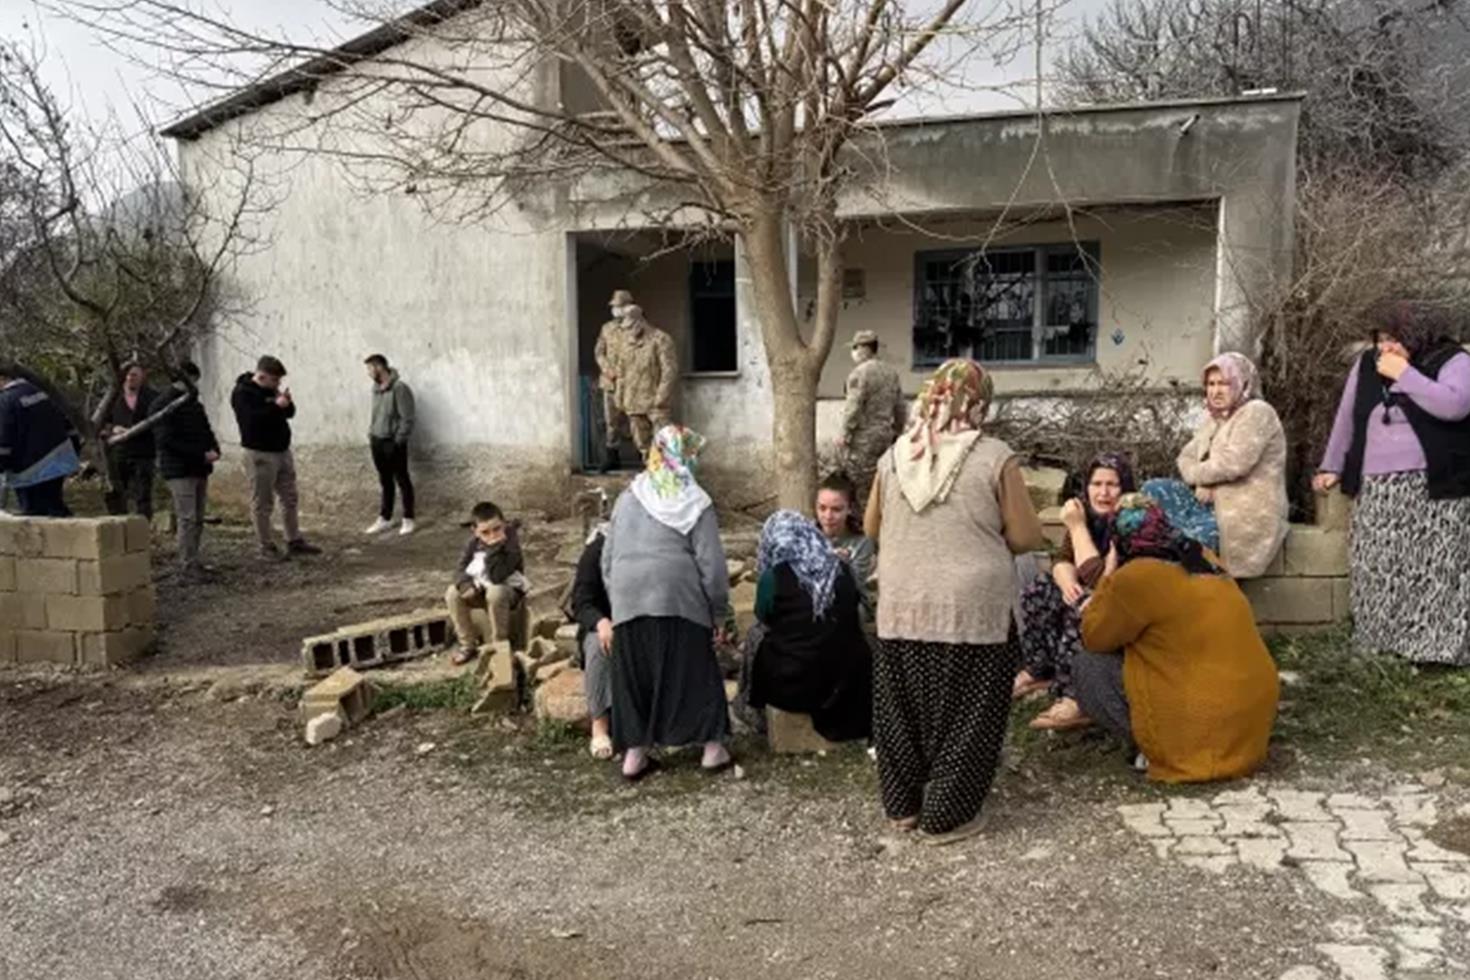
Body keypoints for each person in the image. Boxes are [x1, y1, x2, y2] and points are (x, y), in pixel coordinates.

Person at [864, 359, 1045, 844]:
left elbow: (870, 528)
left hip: (902, 606)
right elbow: (1026, 536)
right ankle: (948, 816)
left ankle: (903, 808)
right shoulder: (993, 456)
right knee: (968, 715)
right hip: (972, 611)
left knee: (902, 712)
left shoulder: (895, 455)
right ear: (977, 401)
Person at [1077, 493, 1279, 782]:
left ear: (1118, 541)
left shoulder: (1136, 577)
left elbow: (1094, 636)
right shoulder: (1203, 556)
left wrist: (1108, 573)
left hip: (1197, 732)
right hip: (1250, 730)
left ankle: (1156, 749)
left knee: (1089, 665)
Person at [1313, 299, 1470, 666]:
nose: (1385, 347)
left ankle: (1434, 649)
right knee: (1379, 567)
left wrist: (1405, 374)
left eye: (1395, 339)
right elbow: (1348, 417)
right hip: (1377, 486)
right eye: (1381, 338)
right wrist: (1331, 464)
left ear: (1418, 337)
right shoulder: (1367, 365)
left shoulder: (1452, 361)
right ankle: (1380, 642)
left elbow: (1456, 405)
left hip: (1435, 485)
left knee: (1432, 569)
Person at [601, 424, 732, 781]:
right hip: (677, 595)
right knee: (696, 672)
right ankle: (712, 749)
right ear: (687, 456)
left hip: (628, 597)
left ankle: (634, 755)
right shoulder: (696, 501)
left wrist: (620, 601)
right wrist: (718, 612)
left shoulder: (629, 496)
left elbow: (607, 556)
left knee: (635, 677)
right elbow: (712, 566)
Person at [1016, 452, 1135, 730]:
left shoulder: (1131, 521)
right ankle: (1040, 670)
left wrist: (1077, 526)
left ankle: (1077, 696)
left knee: (1082, 607)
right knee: (1040, 589)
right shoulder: (1088, 515)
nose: (1103, 493)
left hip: (1123, 608)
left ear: (1125, 487)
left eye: (1112, 484)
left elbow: (1099, 580)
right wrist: (1066, 579)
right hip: (1095, 592)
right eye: (1096, 484)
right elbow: (1062, 558)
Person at [1142, 352, 1287, 578]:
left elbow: (1234, 464)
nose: (1215, 391)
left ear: (1242, 383)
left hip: (1241, 508)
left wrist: (1204, 479)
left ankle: (1177, 567)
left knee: (1194, 541)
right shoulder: (1215, 418)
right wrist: (1202, 479)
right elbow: (1185, 458)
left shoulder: (1257, 412)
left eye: (1224, 383)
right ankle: (1158, 551)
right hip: (1207, 502)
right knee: (1153, 489)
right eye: (1211, 384)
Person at [743, 509, 872, 742]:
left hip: (794, 685)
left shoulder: (773, 577)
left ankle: (750, 708)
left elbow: (763, 616)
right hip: (847, 680)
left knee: (755, 634)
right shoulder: (841, 568)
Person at [231, 355, 321, 559]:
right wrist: (275, 406)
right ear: (261, 376)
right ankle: (266, 546)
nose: (277, 384)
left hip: (281, 450)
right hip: (260, 453)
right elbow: (252, 420)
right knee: (263, 502)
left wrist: (286, 403)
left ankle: (294, 540)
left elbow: (289, 413)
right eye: (274, 380)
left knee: (289, 497)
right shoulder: (243, 393)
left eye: (279, 381)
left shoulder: (271, 390)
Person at [147, 361, 221, 580]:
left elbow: (206, 429)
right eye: (193, 380)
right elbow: (166, 441)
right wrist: (200, 453)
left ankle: (194, 560)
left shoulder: (193, 404)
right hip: (178, 469)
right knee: (187, 517)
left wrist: (215, 449)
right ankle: (187, 564)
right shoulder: (162, 404)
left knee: (197, 518)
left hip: (199, 468)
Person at [447, 501, 528, 665]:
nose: (492, 535)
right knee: (452, 593)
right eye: (485, 532)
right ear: (475, 531)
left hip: (508, 590)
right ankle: (467, 645)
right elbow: (459, 569)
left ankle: (500, 645)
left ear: (504, 524)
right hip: (481, 588)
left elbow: (497, 576)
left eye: (497, 529)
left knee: (496, 592)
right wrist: (465, 585)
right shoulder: (473, 544)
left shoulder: (511, 543)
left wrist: (494, 549)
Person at [838, 330, 907, 518]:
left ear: (863, 349)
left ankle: (865, 529)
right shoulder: (891, 373)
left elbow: (853, 407)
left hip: (863, 440)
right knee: (882, 482)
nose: (853, 352)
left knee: (860, 486)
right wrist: (897, 432)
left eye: (855, 347)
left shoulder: (859, 374)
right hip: (884, 437)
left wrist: (844, 435)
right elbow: (900, 407)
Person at [0, 364, 81, 517]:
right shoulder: (40, 390)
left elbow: (4, 439)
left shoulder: (5, 400)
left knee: (35, 514)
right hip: (60, 458)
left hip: (29, 469)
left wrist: (2, 465)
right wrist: (75, 450)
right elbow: (67, 421)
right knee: (55, 505)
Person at [570, 515, 615, 759]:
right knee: (599, 646)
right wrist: (601, 621)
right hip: (603, 626)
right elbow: (581, 602)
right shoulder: (596, 551)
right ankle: (599, 725)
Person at [607, 305, 678, 457]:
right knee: (642, 445)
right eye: (626, 328)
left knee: (664, 446)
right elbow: (621, 372)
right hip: (633, 403)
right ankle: (650, 473)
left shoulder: (660, 339)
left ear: (641, 321)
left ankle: (665, 477)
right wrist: (619, 397)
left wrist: (661, 397)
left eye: (631, 326)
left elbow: (669, 371)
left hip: (655, 403)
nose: (629, 330)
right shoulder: (626, 344)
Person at [363, 354, 417, 536]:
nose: (369, 373)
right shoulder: (375, 388)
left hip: (393, 442)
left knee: (402, 479)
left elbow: (407, 418)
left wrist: (399, 440)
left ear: (379, 367)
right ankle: (385, 518)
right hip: (377, 440)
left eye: (370, 368)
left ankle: (408, 519)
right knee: (385, 480)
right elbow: (375, 414)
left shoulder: (400, 389)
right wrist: (371, 434)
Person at [814, 471, 876, 619]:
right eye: (822, 508)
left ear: (849, 508)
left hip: (851, 609)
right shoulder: (807, 538)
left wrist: (841, 566)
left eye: (836, 509)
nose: (828, 516)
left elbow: (855, 586)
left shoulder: (863, 542)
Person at [101, 362, 159, 519]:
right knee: (116, 492)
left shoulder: (153, 397)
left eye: (134, 375)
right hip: (119, 452)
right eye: (127, 375)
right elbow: (101, 424)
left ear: (142, 376)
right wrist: (113, 429)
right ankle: (118, 523)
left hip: (144, 451)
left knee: (143, 493)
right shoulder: (112, 398)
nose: (130, 378)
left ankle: (144, 527)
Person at [594, 288, 634, 473]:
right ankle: (612, 457)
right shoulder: (607, 328)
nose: (615, 310)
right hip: (610, 382)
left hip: (632, 382)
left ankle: (646, 456)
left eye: (619, 306)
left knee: (636, 419)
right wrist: (606, 369)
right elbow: (599, 351)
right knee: (611, 421)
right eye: (614, 307)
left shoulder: (636, 326)